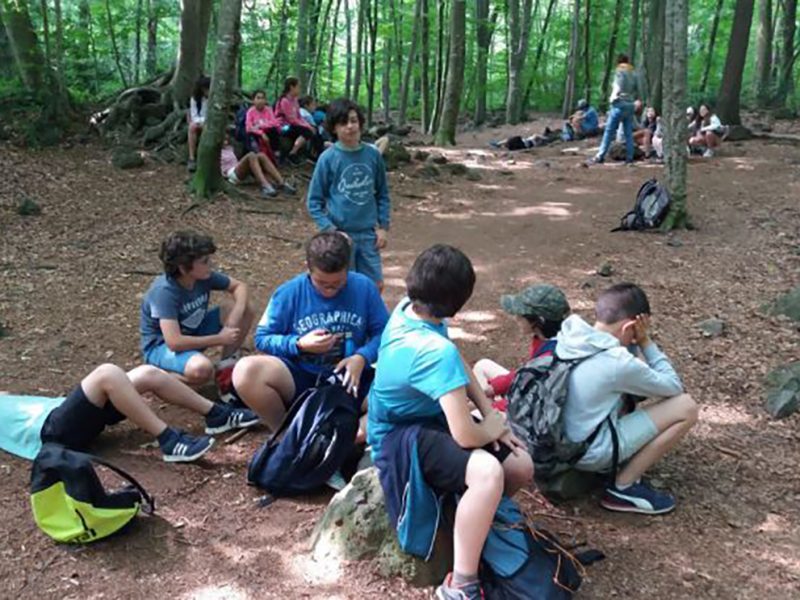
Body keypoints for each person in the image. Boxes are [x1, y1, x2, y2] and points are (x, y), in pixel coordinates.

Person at [368, 245, 533, 600]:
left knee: (520, 466)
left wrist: (490, 414)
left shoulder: (411, 308)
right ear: (459, 304)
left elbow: (455, 361)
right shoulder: (430, 349)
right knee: (488, 473)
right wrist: (490, 428)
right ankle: (462, 584)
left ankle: (474, 522)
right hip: (399, 435)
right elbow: (464, 435)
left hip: (427, 417)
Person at [556, 283, 698, 515]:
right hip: (590, 452)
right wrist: (645, 342)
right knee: (686, 407)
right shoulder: (616, 363)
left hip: (561, 443)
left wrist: (630, 344)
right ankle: (623, 487)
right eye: (637, 331)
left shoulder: (570, 338)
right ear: (630, 326)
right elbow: (674, 387)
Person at [231, 231, 389, 432]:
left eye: (338, 284)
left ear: (347, 269)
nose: (330, 290)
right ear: (308, 268)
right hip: (303, 377)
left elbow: (385, 333)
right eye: (322, 283)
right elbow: (262, 339)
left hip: (352, 377)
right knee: (246, 371)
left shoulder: (363, 287)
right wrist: (299, 344)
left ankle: (351, 434)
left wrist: (362, 357)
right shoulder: (290, 292)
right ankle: (285, 434)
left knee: (401, 392)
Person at [0, 363, 260, 462]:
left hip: (62, 413)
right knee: (107, 373)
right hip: (50, 431)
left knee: (147, 373)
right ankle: (168, 440)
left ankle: (217, 415)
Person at [140, 231, 255, 387]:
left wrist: (237, 312)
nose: (210, 265)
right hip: (162, 347)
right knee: (201, 370)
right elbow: (174, 342)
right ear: (183, 268)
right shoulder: (164, 292)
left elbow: (239, 286)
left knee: (245, 309)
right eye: (204, 261)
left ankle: (226, 366)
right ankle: (158, 379)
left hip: (193, 332)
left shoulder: (202, 276)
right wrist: (220, 339)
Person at [307, 98, 391, 291]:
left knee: (375, 286)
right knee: (343, 286)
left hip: (368, 234)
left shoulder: (373, 155)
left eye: (353, 121)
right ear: (334, 128)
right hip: (339, 236)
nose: (350, 127)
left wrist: (383, 227)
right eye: (343, 123)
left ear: (360, 123)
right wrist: (331, 230)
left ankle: (367, 312)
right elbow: (314, 202)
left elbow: (382, 194)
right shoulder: (328, 158)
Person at [473, 284, 570, 411]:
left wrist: (486, 407)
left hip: (532, 411)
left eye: (521, 315)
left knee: (475, 414)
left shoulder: (549, 360)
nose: (516, 318)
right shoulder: (550, 339)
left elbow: (525, 402)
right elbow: (523, 374)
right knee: (482, 366)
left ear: (538, 321)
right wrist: (493, 388)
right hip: (528, 395)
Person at [588, 54, 642, 165]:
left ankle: (600, 156)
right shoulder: (634, 73)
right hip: (630, 105)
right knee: (628, 132)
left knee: (609, 131)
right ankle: (629, 158)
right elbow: (638, 89)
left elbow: (617, 86)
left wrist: (612, 98)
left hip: (619, 104)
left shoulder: (619, 71)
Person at [220, 130, 296, 198]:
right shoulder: (216, 152)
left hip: (238, 168)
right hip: (231, 174)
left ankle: (282, 183)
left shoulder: (229, 148)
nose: (226, 141)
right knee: (251, 155)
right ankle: (265, 185)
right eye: (224, 140)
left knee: (261, 155)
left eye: (226, 139)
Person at [275, 77, 323, 162]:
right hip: (284, 126)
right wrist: (307, 127)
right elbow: (291, 119)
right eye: (298, 87)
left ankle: (318, 154)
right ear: (292, 87)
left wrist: (308, 125)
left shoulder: (295, 100)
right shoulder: (284, 101)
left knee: (314, 129)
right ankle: (293, 153)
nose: (299, 89)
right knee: (307, 131)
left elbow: (299, 117)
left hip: (294, 125)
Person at [245, 89, 283, 159]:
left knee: (273, 130)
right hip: (257, 134)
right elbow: (248, 127)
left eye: (262, 98)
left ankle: (275, 152)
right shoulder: (250, 112)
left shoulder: (268, 110)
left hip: (268, 132)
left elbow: (273, 123)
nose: (260, 101)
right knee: (249, 135)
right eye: (258, 98)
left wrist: (260, 125)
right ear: (253, 100)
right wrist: (261, 133)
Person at [187, 76, 211, 172]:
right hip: (198, 123)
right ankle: (192, 158)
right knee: (191, 127)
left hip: (209, 123)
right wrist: (201, 122)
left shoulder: (214, 99)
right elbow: (194, 116)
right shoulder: (195, 99)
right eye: (206, 89)